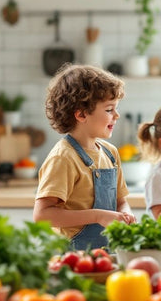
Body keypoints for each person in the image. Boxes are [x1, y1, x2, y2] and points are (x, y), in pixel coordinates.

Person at [33, 64, 136, 250]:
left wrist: (125, 214)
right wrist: (97, 216)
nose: (117, 115)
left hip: (107, 254)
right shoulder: (63, 157)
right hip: (73, 258)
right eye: (109, 110)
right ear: (81, 114)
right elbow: (42, 215)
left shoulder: (110, 153)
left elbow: (121, 201)